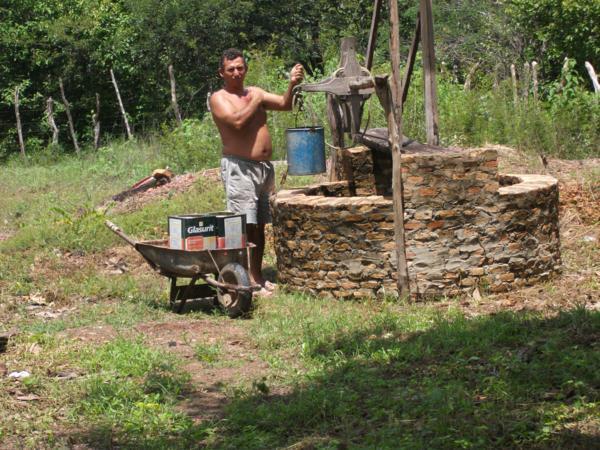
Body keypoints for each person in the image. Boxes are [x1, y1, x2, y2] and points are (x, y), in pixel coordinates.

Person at [210, 48, 304, 295]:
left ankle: (257, 276)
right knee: (245, 225)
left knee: (260, 224)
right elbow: (237, 123)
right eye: (231, 69)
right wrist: (257, 98)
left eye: (240, 67)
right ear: (222, 73)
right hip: (240, 168)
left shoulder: (254, 93)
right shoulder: (219, 98)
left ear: (246, 69)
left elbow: (285, 105)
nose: (237, 73)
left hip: (264, 169)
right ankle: (246, 279)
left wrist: (292, 84)